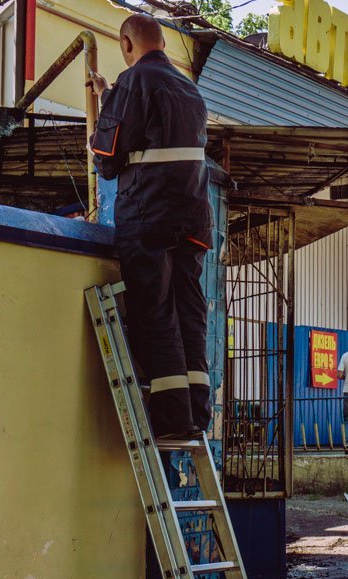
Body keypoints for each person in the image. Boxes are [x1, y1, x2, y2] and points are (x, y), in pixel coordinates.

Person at [88, 15, 212, 439]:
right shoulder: (190, 90)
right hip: (193, 220)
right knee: (188, 312)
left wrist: (108, 100)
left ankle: (173, 421)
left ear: (127, 43)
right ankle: (197, 414)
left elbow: (106, 160)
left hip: (149, 216)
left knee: (154, 312)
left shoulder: (132, 83)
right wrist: (112, 97)